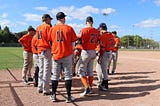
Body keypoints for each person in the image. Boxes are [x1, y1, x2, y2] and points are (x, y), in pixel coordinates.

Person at [48, 12, 78, 103]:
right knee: (68, 75)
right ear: (62, 18)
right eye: (64, 17)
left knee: (55, 76)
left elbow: (50, 42)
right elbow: (74, 42)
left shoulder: (52, 29)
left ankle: (53, 95)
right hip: (67, 54)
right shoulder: (69, 28)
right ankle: (68, 97)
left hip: (56, 54)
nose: (65, 19)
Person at [78, 16, 99, 96]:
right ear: (92, 22)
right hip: (93, 51)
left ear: (86, 22)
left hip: (86, 51)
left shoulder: (84, 30)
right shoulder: (96, 31)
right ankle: (90, 88)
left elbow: (79, 39)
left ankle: (86, 88)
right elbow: (97, 41)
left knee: (81, 71)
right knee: (90, 71)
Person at [36, 14, 52, 95]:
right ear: (47, 19)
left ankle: (40, 87)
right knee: (47, 70)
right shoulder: (47, 26)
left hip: (39, 50)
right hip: (46, 49)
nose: (50, 21)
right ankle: (45, 89)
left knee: (41, 69)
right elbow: (51, 39)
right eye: (50, 19)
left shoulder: (38, 27)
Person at [96, 23, 115, 91]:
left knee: (103, 70)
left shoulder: (103, 36)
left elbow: (102, 47)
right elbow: (113, 44)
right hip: (109, 52)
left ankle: (105, 86)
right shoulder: (111, 35)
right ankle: (102, 84)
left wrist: (100, 56)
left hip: (104, 53)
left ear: (101, 28)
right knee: (104, 68)